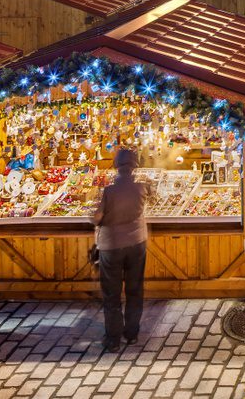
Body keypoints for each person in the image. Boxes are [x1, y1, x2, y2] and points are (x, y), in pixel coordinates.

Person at [93, 148, 149, 352]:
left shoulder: (109, 191)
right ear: (134, 167)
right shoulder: (142, 188)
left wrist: (93, 217)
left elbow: (97, 217)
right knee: (135, 289)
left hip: (112, 245)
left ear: (117, 167)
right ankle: (132, 334)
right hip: (136, 243)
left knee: (112, 294)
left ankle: (113, 339)